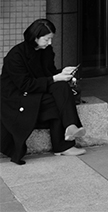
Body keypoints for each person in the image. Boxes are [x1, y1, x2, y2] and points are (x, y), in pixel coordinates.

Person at [1, 19, 86, 165]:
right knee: (57, 103)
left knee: (62, 87)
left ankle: (71, 127)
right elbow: (25, 85)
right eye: (47, 39)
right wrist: (55, 78)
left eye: (51, 39)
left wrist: (63, 72)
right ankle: (63, 145)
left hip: (36, 90)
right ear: (35, 37)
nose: (49, 43)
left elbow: (49, 73)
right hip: (17, 96)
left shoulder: (46, 51)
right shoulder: (15, 56)